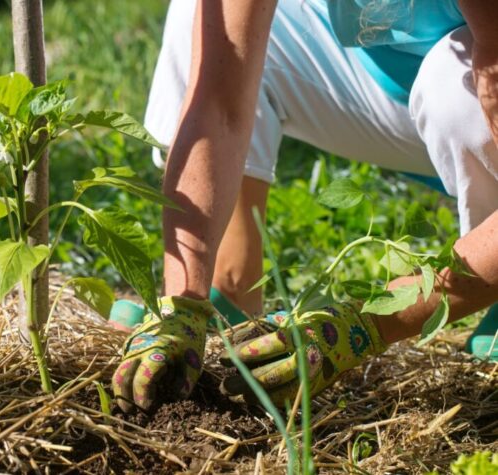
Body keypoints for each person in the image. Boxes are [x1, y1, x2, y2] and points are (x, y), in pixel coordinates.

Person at [110, 0, 498, 413]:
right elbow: (219, 104)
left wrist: (362, 325)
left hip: (470, 88)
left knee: (451, 89)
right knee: (208, 19)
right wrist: (181, 300)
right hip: (390, 76)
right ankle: (230, 289)